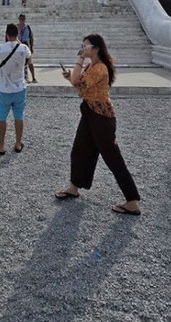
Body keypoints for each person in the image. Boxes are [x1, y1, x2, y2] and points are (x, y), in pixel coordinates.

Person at [55, 34, 141, 216]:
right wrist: (69, 77)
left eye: (85, 46)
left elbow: (79, 82)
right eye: (83, 46)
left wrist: (78, 61)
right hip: (89, 112)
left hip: (101, 117)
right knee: (79, 149)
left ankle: (132, 201)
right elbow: (79, 85)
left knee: (112, 157)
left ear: (96, 48)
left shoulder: (100, 68)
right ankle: (74, 186)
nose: (83, 49)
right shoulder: (91, 65)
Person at [0, 23, 31, 154]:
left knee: (2, 117)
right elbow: (28, 56)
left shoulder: (0, 48)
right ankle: (18, 143)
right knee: (19, 116)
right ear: (18, 35)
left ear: (6, 34)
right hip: (19, 87)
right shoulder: (23, 48)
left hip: (4, 88)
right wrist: (18, 41)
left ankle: (2, 145)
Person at [18, 13, 37, 83]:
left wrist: (32, 47)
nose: (22, 20)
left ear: (25, 19)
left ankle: (33, 77)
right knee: (20, 63)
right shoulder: (16, 27)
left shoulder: (27, 27)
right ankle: (24, 78)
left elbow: (31, 37)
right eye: (21, 19)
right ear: (19, 19)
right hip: (18, 46)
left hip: (26, 45)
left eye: (23, 19)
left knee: (30, 62)